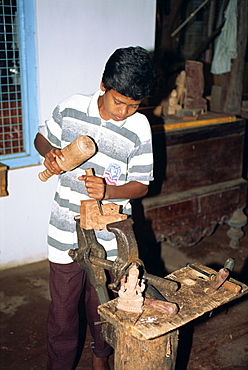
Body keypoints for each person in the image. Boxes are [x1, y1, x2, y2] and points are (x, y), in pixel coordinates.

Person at [34, 46, 156, 370]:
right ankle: (59, 364)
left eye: (134, 105)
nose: (124, 112)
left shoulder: (140, 127)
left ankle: (101, 356)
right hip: (64, 228)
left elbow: (142, 184)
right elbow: (41, 138)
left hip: (111, 235)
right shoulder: (72, 108)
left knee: (102, 304)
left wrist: (110, 190)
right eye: (119, 102)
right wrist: (50, 153)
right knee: (62, 310)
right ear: (103, 85)